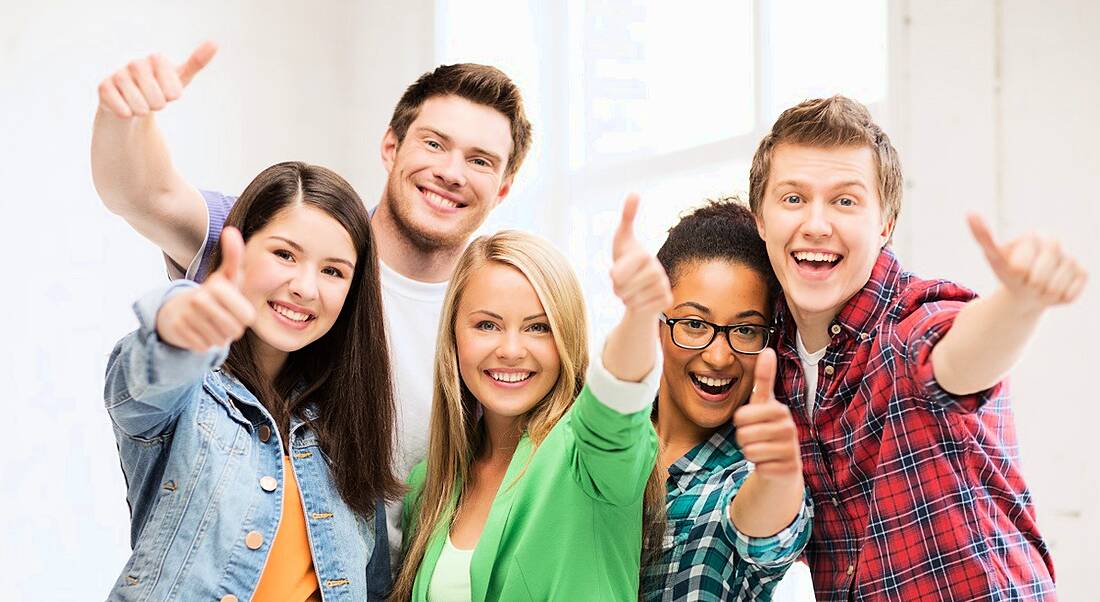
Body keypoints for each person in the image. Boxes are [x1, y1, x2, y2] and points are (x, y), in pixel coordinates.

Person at [91, 42, 532, 556]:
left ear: (502, 189)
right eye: (434, 144)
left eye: (480, 160)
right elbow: (146, 196)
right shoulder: (280, 247)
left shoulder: (495, 321)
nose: (452, 172)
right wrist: (126, 119)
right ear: (391, 146)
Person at [748, 95, 1088, 600]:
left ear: (885, 224)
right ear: (760, 218)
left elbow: (955, 355)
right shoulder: (770, 356)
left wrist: (1019, 304)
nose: (816, 224)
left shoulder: (910, 320)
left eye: (845, 201)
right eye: (793, 198)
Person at [103, 162, 398, 600]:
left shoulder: (347, 422)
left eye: (333, 271)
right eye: (284, 255)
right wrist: (179, 326)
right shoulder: (190, 392)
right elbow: (142, 386)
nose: (305, 287)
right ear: (237, 251)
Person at [392, 196, 672, 601]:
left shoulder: (586, 457)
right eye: (487, 324)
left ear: (566, 337)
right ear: (454, 336)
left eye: (538, 328)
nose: (510, 349)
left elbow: (616, 402)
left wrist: (639, 315)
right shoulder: (430, 483)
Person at [641, 199, 812, 601]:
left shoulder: (744, 473)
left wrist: (778, 475)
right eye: (694, 324)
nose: (719, 357)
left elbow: (768, 533)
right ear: (655, 319)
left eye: (747, 331)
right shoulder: (603, 443)